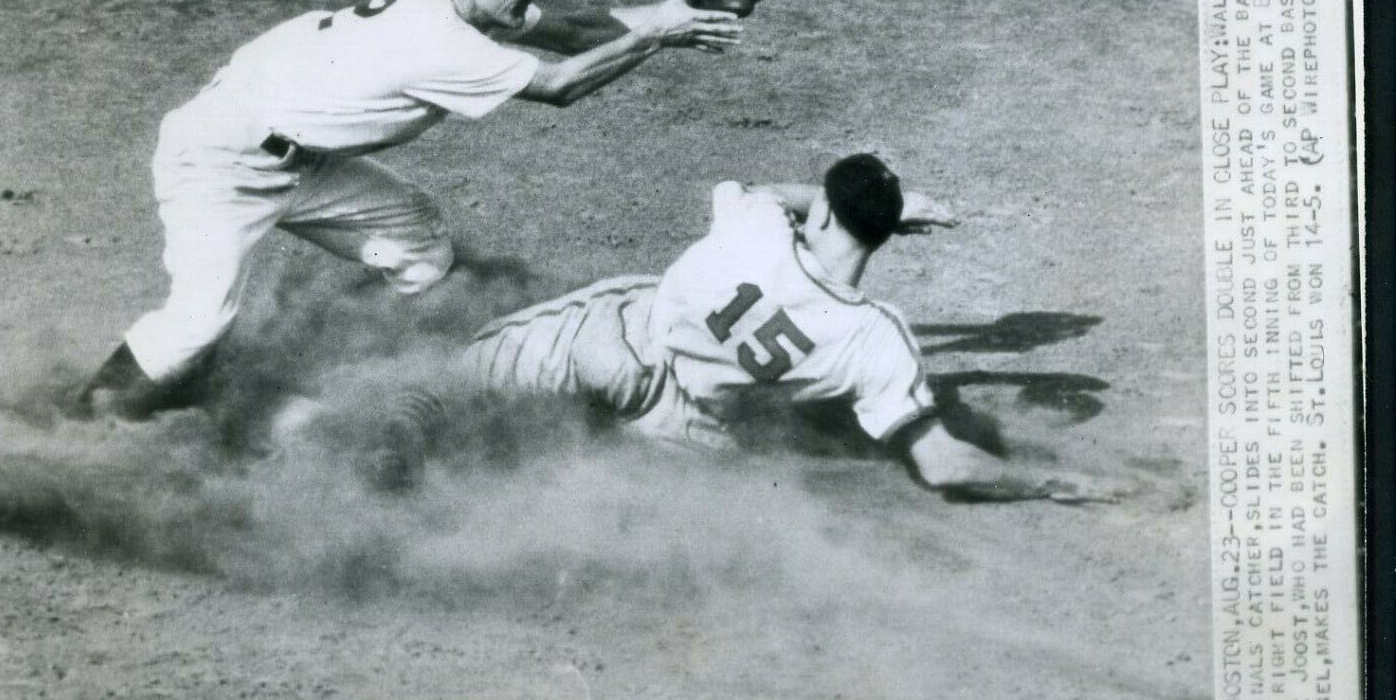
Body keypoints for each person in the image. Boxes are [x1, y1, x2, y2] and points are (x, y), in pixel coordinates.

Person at [77, 0, 743, 418]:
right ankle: (82, 425)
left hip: (300, 158)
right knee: (199, 322)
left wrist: (670, 11)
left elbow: (568, 32)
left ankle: (376, 383)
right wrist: (658, 37)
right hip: (221, 160)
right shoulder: (439, 43)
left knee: (420, 243)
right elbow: (561, 85)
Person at [378, 153, 1117, 504]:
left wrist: (890, 200)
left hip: (615, 343)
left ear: (821, 212)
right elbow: (947, 466)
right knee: (598, 493)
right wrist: (1051, 481)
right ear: (884, 236)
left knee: (446, 386)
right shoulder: (877, 339)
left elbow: (765, 190)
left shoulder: (760, 221)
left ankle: (371, 459)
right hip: (690, 432)